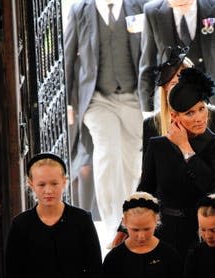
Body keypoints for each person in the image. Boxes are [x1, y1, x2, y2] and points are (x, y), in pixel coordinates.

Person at [64, 0, 146, 234]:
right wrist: (69, 102)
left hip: (134, 97)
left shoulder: (139, 6)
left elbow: (151, 51)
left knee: (132, 160)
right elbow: (69, 56)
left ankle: (132, 215)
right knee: (107, 151)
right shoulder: (81, 11)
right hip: (98, 98)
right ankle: (112, 223)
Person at [138, 67, 215, 262]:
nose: (199, 117)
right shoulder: (158, 146)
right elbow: (146, 190)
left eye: (201, 108)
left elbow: (211, 185)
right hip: (167, 234)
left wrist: (185, 147)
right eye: (190, 113)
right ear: (175, 117)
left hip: (208, 234)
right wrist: (125, 228)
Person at [138, 0, 215, 132]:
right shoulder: (152, 11)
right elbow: (147, 65)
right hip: (174, 108)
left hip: (214, 101)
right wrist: (147, 111)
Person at [142, 45, 215, 161]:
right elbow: (149, 174)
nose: (181, 89)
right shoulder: (151, 124)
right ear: (165, 89)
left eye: (185, 82)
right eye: (174, 84)